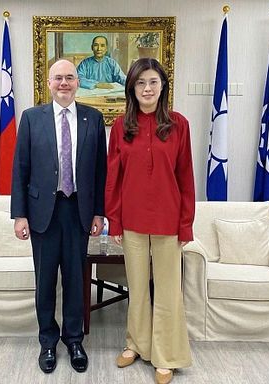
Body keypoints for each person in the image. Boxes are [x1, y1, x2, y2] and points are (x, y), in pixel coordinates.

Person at [11, 59, 107, 374]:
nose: (64, 83)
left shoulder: (93, 118)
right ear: (49, 83)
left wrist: (99, 212)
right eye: (58, 78)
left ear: (78, 82)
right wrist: (20, 215)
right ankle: (48, 342)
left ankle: (74, 340)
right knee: (46, 281)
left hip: (79, 210)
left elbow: (100, 171)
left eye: (69, 77)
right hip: (43, 213)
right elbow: (20, 169)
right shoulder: (31, 118)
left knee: (76, 280)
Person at [105, 58, 195, 384]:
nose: (147, 88)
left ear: (162, 86)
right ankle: (136, 344)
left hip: (169, 222)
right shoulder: (120, 127)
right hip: (131, 221)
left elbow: (186, 177)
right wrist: (114, 221)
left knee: (168, 291)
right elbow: (113, 179)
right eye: (140, 82)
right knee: (138, 287)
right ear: (131, 88)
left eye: (153, 82)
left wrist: (186, 224)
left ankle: (166, 355)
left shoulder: (179, 124)